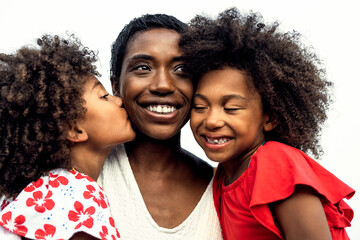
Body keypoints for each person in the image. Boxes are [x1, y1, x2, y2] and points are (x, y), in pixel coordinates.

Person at [180, 8, 355, 240]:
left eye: (231, 108)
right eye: (200, 107)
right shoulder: (223, 176)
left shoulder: (275, 164)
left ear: (270, 117)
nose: (211, 121)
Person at [97, 14, 222, 239]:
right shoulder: (85, 176)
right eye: (143, 67)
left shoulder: (225, 187)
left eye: (182, 69)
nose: (163, 85)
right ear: (116, 85)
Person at [0, 34, 135, 240]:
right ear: (75, 130)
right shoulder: (77, 194)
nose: (118, 101)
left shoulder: (37, 193)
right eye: (104, 96)